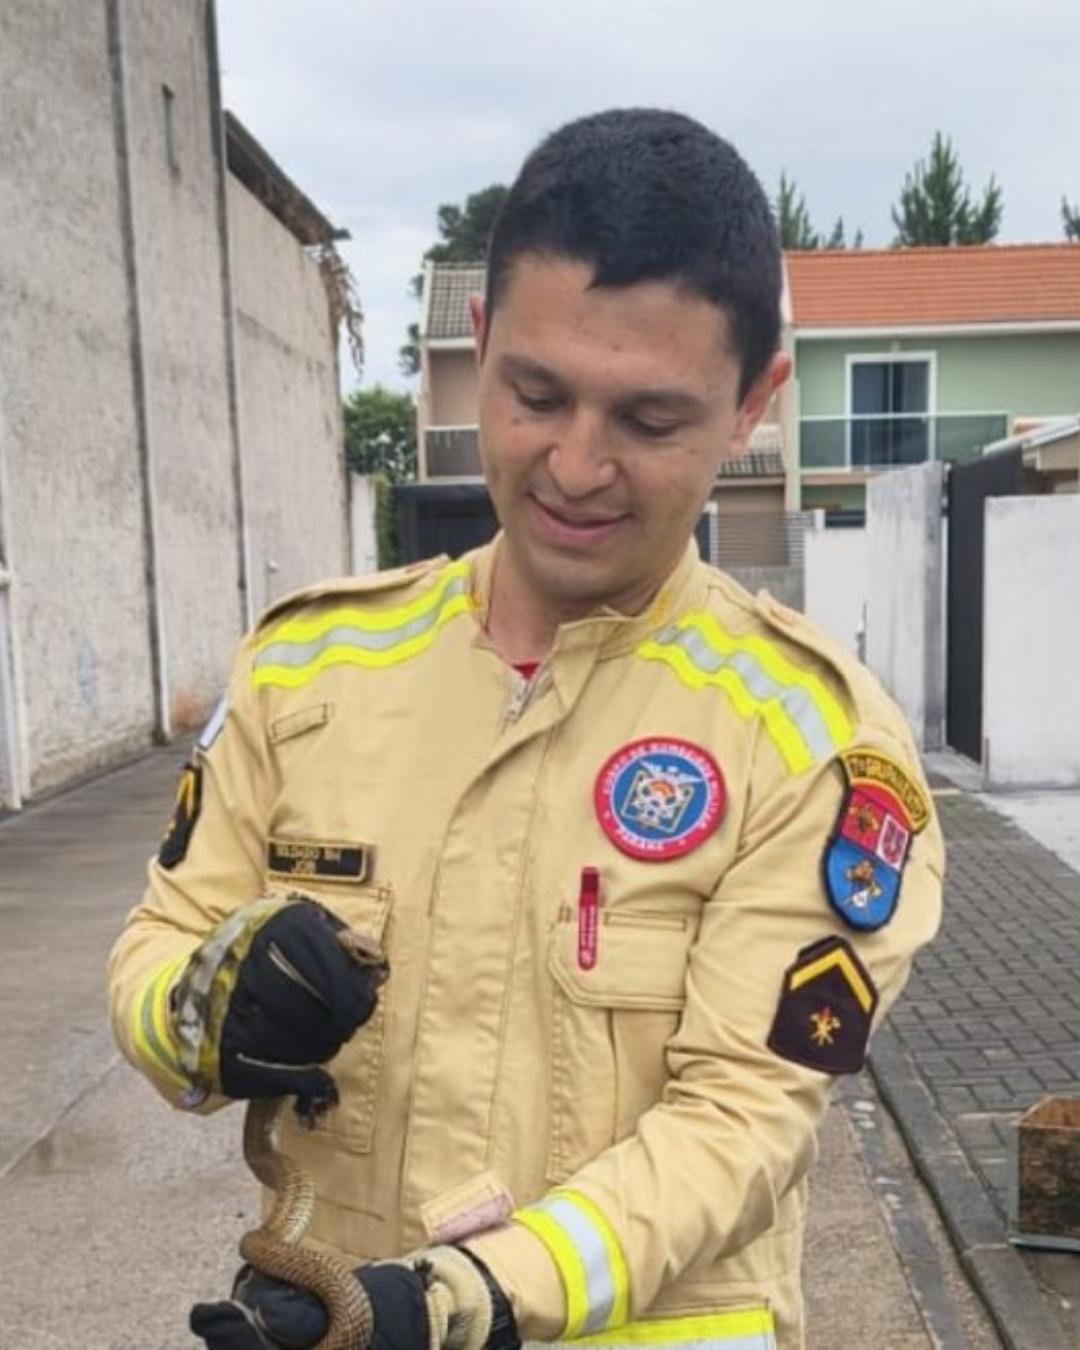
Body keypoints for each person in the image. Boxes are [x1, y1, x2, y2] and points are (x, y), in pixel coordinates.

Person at [107, 107, 944, 1350]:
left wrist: (460, 1301)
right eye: (537, 393)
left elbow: (743, 1118)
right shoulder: (306, 666)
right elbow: (155, 950)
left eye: (651, 422)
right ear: (481, 340)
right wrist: (205, 1009)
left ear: (754, 403)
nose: (576, 464)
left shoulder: (811, 738)